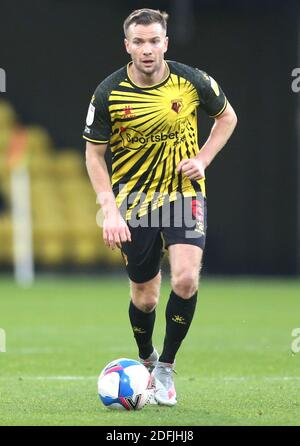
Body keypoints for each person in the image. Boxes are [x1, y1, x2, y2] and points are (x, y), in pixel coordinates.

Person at [83, 8, 237, 406]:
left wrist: (202, 160)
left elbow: (227, 118)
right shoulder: (108, 93)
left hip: (183, 194)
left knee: (186, 279)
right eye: (139, 42)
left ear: (165, 43)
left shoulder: (192, 81)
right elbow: (94, 156)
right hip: (134, 201)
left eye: (154, 41)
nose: (147, 49)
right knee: (145, 297)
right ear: (127, 46)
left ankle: (165, 369)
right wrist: (110, 210)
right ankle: (146, 358)